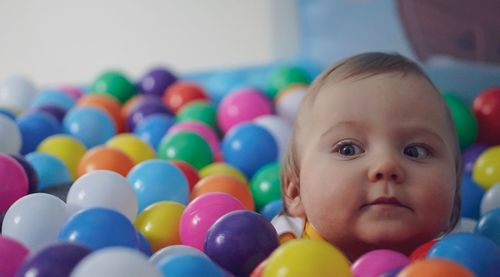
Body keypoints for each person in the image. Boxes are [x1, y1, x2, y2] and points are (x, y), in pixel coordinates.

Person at [272, 52, 462, 261]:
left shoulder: (465, 256)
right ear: (295, 190)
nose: (386, 165)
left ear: (455, 193)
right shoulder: (278, 248)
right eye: (348, 149)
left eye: (415, 151)